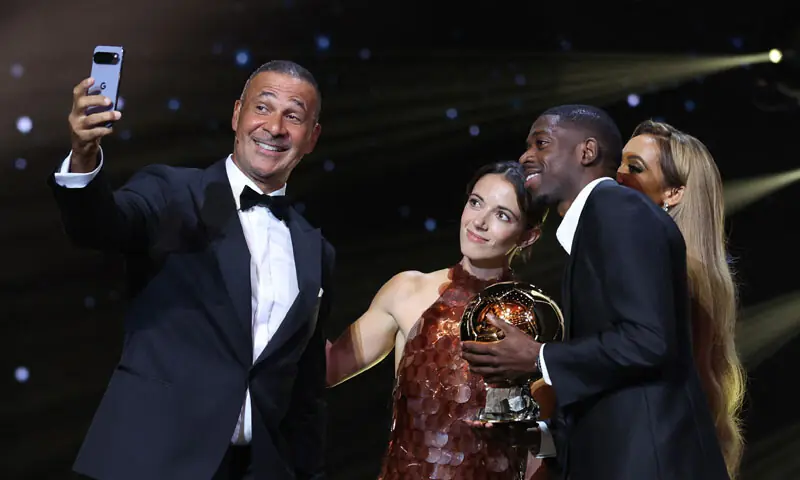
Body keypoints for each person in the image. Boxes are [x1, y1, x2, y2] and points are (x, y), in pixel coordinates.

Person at [47, 60, 333, 480]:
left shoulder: (316, 249)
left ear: (312, 137)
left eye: (293, 116)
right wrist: (83, 154)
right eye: (263, 107)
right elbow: (100, 225)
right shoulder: (172, 192)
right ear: (237, 115)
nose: (274, 127)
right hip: (149, 461)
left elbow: (306, 392)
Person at [461, 105, 729, 479]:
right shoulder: (594, 228)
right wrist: (538, 437)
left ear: (586, 152)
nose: (526, 157)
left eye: (541, 143)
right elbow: (612, 389)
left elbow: (648, 341)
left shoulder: (618, 209)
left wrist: (539, 356)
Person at [326, 161, 551, 479]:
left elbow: (539, 441)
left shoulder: (532, 319)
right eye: (476, 202)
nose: (479, 222)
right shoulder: (407, 290)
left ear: (528, 235)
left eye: (502, 215)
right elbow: (326, 369)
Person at [617, 119, 746, 478]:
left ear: (673, 193)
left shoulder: (668, 272)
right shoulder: (695, 273)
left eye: (635, 167)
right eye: (621, 162)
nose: (618, 174)